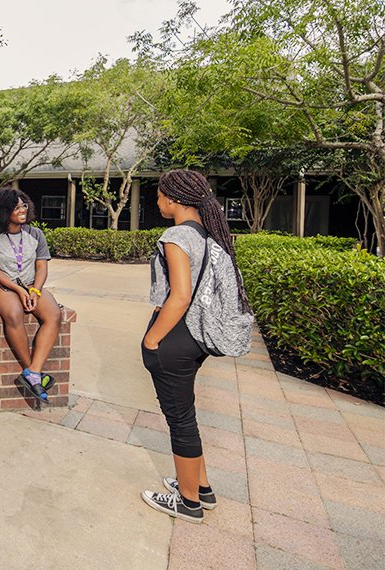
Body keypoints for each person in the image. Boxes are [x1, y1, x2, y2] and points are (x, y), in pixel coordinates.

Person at [139, 169, 252, 524]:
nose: (157, 201)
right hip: (196, 339)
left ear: (172, 199)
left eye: (159, 195)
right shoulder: (208, 234)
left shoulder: (176, 236)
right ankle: (200, 487)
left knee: (180, 419)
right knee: (186, 413)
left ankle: (188, 502)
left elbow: (181, 295)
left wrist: (152, 338)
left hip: (174, 336)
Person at [0, 187, 62, 403]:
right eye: (16, 207)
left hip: (31, 284)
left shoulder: (36, 234)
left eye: (23, 205)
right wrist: (17, 290)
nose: (22, 210)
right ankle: (33, 374)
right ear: (3, 210)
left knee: (53, 314)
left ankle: (33, 372)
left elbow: (42, 266)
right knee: (14, 314)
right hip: (2, 286)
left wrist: (34, 289)